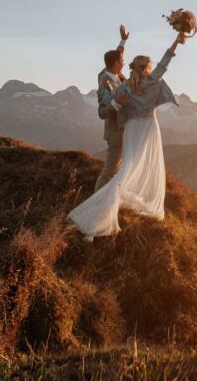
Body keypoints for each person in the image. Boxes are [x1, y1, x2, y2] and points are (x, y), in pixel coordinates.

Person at [68, 30, 188, 240]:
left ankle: (106, 201)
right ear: (147, 69)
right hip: (148, 128)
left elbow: (108, 96)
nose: (123, 64)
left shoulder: (124, 86)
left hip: (131, 129)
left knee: (127, 167)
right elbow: (165, 62)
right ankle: (102, 204)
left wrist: (122, 42)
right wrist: (177, 40)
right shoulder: (151, 81)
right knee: (143, 165)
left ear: (132, 67)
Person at [94, 24, 130, 191]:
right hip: (115, 133)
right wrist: (117, 104)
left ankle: (110, 198)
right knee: (109, 172)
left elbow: (115, 56)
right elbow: (102, 113)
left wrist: (123, 41)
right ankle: (95, 202)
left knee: (117, 172)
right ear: (116, 64)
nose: (124, 63)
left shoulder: (116, 75)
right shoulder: (104, 80)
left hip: (124, 132)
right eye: (122, 62)